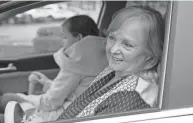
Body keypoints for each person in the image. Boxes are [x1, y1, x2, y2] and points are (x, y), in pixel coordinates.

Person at [4, 5, 164, 123]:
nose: (113, 49)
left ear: (150, 57)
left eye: (128, 45)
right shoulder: (112, 71)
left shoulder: (130, 99)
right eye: (112, 38)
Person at [0, 15, 109, 122]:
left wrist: (29, 100)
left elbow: (51, 102)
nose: (62, 42)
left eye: (65, 37)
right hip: (76, 110)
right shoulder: (104, 56)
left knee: (7, 99)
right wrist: (47, 83)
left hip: (61, 115)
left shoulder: (75, 62)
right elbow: (74, 90)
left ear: (79, 38)